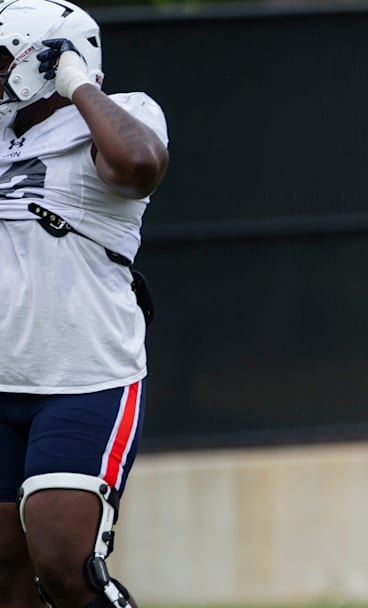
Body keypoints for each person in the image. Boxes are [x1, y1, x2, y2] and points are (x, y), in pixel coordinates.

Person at [0, 0, 169, 606]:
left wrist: (76, 83)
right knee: (6, 576)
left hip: (84, 377)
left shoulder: (128, 115)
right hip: (3, 377)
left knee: (65, 566)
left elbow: (138, 166)